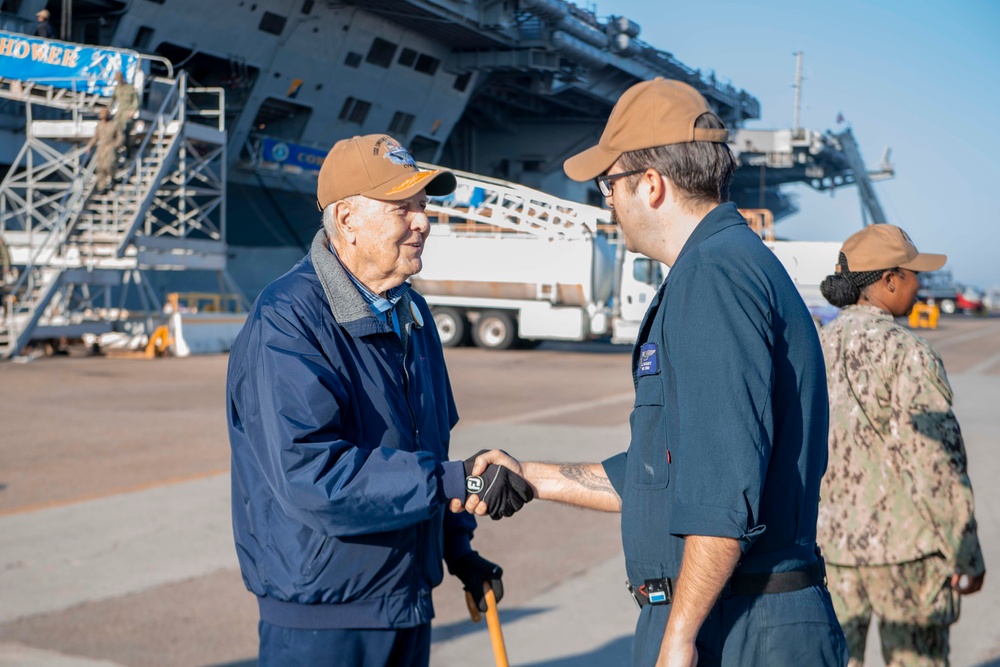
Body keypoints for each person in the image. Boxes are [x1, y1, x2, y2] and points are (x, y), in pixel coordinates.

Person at [460, 78, 847, 666]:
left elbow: (721, 494)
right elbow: (670, 477)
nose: (606, 200)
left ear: (651, 184)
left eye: (608, 184)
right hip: (742, 612)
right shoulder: (728, 264)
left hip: (734, 625)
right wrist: (533, 476)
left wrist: (680, 635)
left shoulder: (711, 279)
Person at [226, 133, 533, 667]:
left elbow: (428, 446)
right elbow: (310, 475)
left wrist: (457, 549)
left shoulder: (410, 312)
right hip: (325, 619)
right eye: (403, 207)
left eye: (423, 206)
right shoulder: (288, 319)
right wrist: (452, 482)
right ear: (346, 219)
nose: (423, 222)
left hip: (405, 604)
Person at [816, 224, 985, 667]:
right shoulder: (909, 352)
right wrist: (965, 551)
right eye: (913, 274)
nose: (921, 284)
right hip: (907, 555)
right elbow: (936, 462)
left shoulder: (815, 348)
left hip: (832, 555)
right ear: (889, 280)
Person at [85, 108, 123, 192]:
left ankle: (112, 179)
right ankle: (102, 186)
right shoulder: (99, 125)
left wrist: (116, 145)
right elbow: (96, 137)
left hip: (110, 148)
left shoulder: (114, 124)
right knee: (101, 168)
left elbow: (120, 137)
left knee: (110, 165)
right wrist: (89, 146)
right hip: (101, 148)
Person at [111, 71, 139, 141]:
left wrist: (133, 110)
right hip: (120, 109)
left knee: (124, 125)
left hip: (128, 109)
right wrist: (108, 109)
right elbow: (113, 99)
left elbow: (136, 100)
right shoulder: (117, 88)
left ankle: (124, 140)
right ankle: (117, 140)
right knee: (115, 123)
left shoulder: (130, 88)